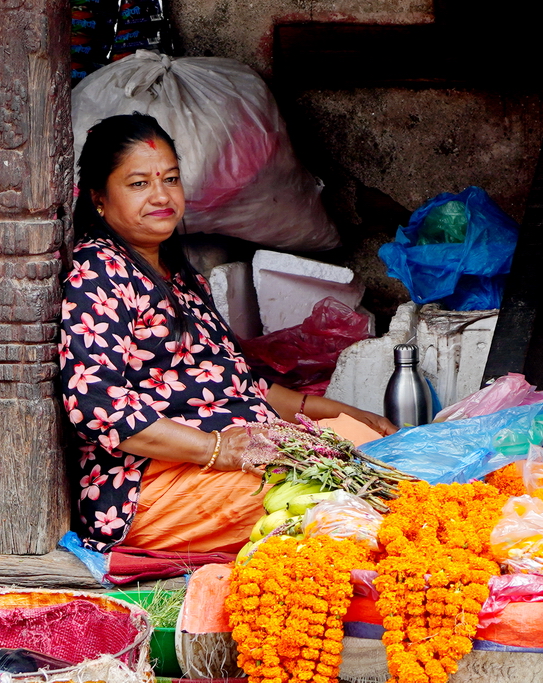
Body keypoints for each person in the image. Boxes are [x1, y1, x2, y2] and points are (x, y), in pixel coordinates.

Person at [60, 114, 395, 554]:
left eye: (171, 179)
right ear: (100, 199)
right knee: (335, 497)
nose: (161, 196)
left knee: (372, 446)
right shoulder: (98, 273)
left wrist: (332, 409)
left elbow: (234, 381)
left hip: (230, 457)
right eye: (139, 184)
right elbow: (95, 405)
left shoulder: (177, 272)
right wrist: (217, 448)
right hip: (154, 486)